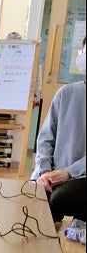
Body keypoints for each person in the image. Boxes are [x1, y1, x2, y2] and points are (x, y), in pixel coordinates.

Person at [31, 37, 86, 226]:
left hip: (81, 175)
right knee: (32, 196)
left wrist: (68, 173)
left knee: (59, 198)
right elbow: (46, 138)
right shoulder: (66, 93)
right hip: (53, 173)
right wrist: (45, 171)